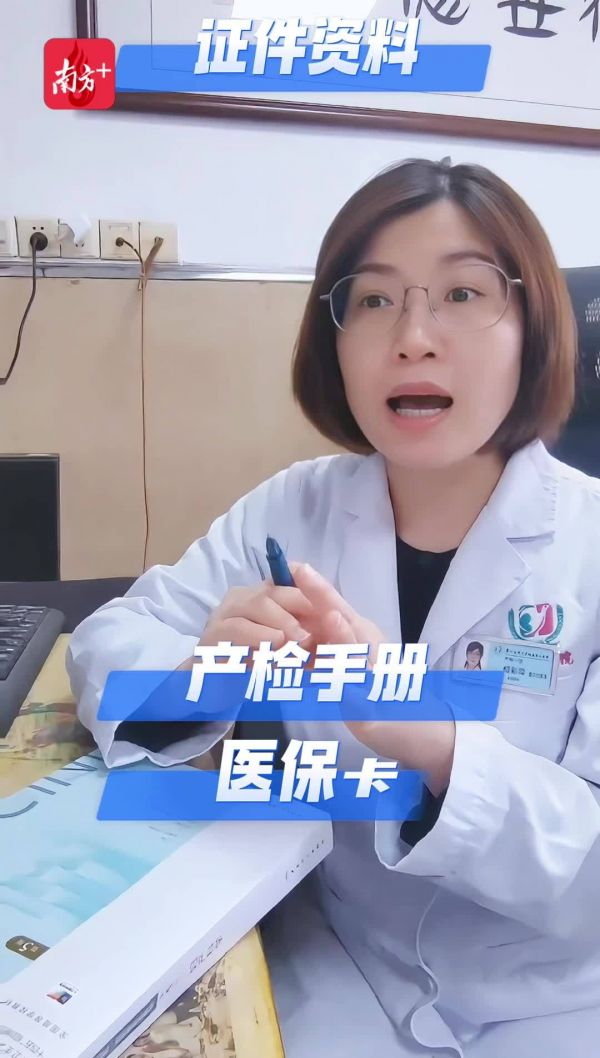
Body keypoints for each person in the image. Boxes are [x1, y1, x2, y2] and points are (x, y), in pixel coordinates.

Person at [67, 158, 600, 1057]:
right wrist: (200, 674)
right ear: (336, 341)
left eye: (463, 295)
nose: (414, 338)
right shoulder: (292, 510)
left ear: (534, 331)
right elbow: (108, 640)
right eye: (375, 300)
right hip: (342, 964)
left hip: (557, 999)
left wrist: (435, 744)